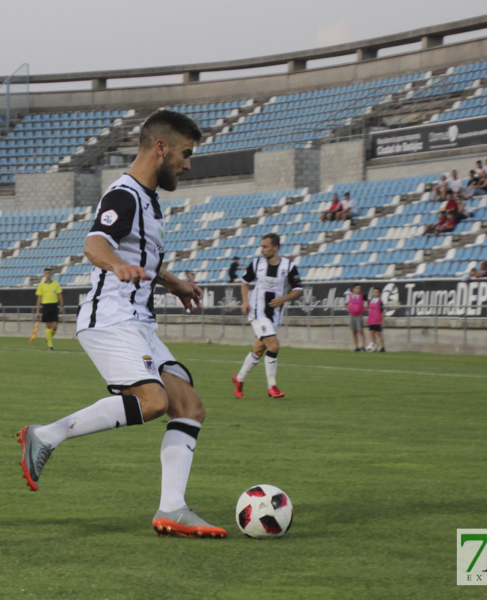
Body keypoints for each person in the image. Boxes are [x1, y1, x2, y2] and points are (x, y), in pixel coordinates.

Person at [15, 110, 226, 539]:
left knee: (190, 406)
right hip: (110, 319)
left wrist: (175, 283)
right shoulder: (124, 194)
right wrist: (116, 265)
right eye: (186, 154)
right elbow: (95, 243)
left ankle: (173, 509)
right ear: (160, 147)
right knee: (153, 402)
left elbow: (142, 258)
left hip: (138, 322)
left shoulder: (150, 202)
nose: (188, 164)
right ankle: (46, 435)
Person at [233, 232, 303, 399]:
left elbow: (298, 289)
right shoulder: (257, 264)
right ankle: (272, 386)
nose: (262, 249)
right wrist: (245, 302)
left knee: (259, 348)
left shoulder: (289, 266)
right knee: (273, 346)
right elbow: (244, 281)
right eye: (262, 246)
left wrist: (283, 299)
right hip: (258, 312)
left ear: (275, 248)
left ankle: (240, 377)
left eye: (265, 246)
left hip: (275, 316)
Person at [34, 267, 63, 350]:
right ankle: (50, 345)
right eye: (46, 273)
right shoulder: (41, 285)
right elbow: (39, 298)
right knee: (48, 326)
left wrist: (61, 305)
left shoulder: (56, 284)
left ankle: (48, 337)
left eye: (48, 273)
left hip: (54, 305)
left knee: (55, 327)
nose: (47, 275)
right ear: (44, 274)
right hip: (46, 306)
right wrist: (38, 311)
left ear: (51, 274)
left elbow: (59, 294)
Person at [346, 284, 367, 351]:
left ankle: (363, 346)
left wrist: (365, 309)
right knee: (353, 331)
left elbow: (368, 302)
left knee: (360, 331)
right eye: (357, 288)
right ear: (353, 289)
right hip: (352, 315)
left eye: (359, 288)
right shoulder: (350, 296)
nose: (358, 289)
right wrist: (348, 309)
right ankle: (356, 347)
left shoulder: (363, 295)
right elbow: (345, 303)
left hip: (359, 315)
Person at [365, 287, 385, 352]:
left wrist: (382, 320)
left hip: (377, 319)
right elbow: (369, 310)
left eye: (376, 292)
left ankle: (382, 347)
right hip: (371, 319)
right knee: (372, 333)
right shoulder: (371, 301)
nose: (375, 293)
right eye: (374, 292)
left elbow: (382, 311)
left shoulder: (380, 301)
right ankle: (374, 347)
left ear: (379, 293)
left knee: (379, 334)